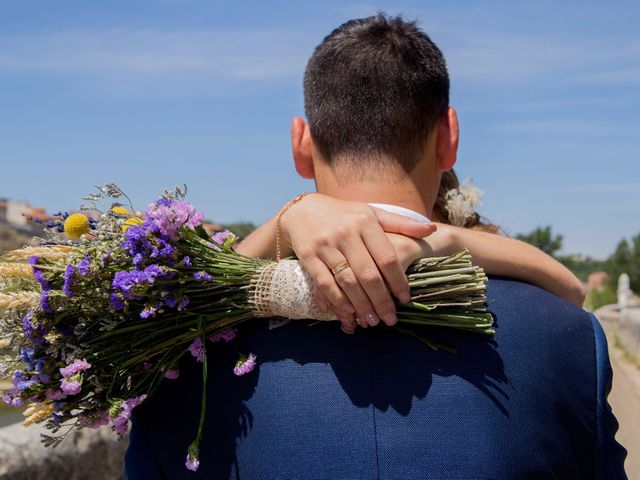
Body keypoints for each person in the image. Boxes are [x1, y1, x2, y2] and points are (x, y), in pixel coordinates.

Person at [124, 14, 627, 479]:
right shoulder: (569, 340)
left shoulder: (172, 357)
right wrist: (449, 240)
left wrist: (288, 214)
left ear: (301, 145)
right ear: (449, 137)